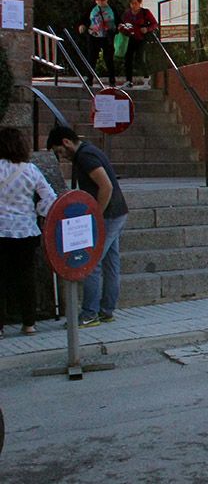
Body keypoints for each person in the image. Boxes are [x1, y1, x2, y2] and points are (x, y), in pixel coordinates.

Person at [46, 126, 128, 327]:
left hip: (108, 215)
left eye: (59, 151)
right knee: (111, 263)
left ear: (66, 142)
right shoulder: (90, 150)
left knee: (91, 264)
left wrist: (96, 216)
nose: (61, 156)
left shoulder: (84, 156)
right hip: (118, 212)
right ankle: (106, 311)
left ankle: (89, 313)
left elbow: (106, 186)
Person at [0, 128, 57, 338]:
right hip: (26, 230)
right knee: (26, 277)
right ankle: (29, 323)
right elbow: (50, 197)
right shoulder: (31, 170)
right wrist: (38, 212)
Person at [117, 0, 159, 88]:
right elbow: (122, 23)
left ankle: (146, 79)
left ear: (140, 3)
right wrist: (121, 27)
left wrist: (147, 29)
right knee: (128, 59)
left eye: (135, 3)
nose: (133, 5)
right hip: (129, 39)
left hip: (141, 39)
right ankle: (128, 81)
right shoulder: (127, 14)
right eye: (131, 3)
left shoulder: (145, 12)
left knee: (140, 59)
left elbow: (154, 24)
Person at [77, 0, 117, 88]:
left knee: (108, 58)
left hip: (106, 36)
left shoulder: (112, 9)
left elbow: (118, 21)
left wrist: (116, 28)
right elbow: (84, 19)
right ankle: (89, 79)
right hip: (93, 36)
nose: (99, 2)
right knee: (91, 57)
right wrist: (82, 25)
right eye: (97, 0)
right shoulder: (92, 8)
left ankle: (112, 80)